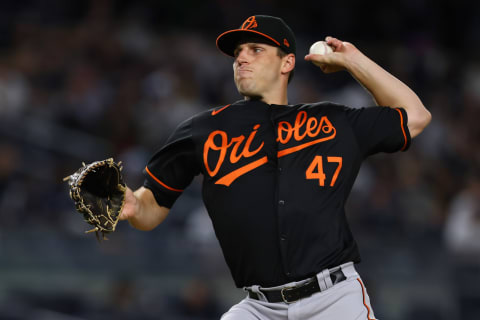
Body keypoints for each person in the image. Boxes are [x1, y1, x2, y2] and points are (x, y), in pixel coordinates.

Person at [118, 15, 431, 319]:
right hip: (259, 307)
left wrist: (352, 61)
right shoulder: (202, 131)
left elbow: (415, 116)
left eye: (255, 49)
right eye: (238, 52)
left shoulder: (333, 121)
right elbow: (151, 208)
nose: (241, 58)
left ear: (287, 63)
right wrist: (133, 206)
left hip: (334, 298)